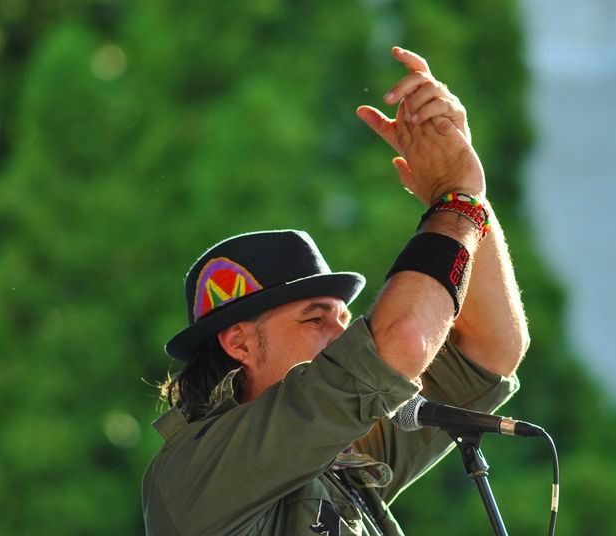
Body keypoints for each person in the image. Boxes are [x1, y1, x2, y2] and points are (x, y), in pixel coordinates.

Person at [143, 46, 529, 535]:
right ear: (239, 342)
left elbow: (491, 347)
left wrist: (463, 186)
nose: (343, 334)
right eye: (315, 317)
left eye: (343, 317)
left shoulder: (336, 452)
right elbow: (405, 342)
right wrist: (458, 199)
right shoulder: (200, 473)